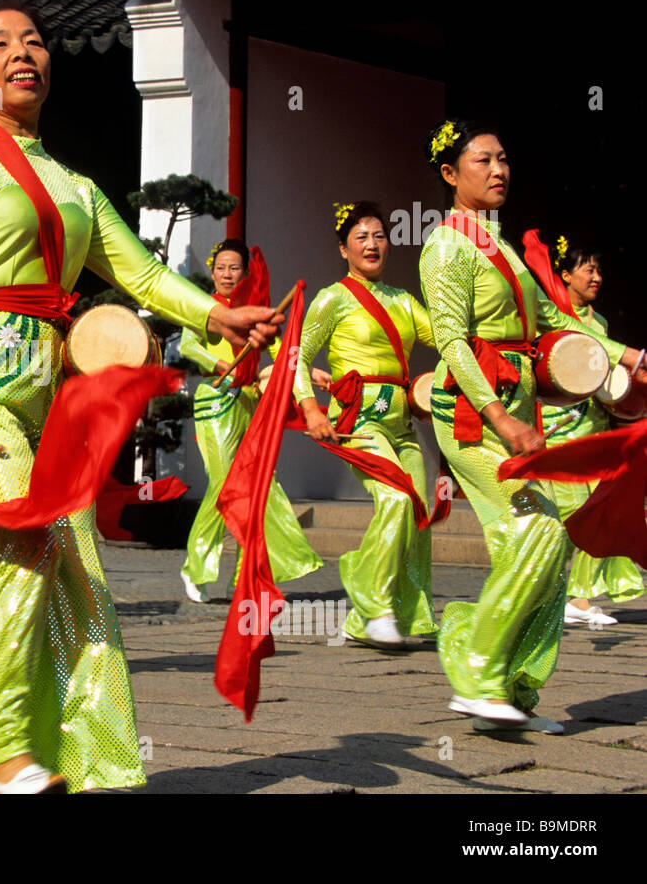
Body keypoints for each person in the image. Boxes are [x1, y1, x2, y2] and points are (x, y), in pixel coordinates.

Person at [0, 0, 281, 793]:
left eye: (35, 40)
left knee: (75, 575)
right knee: (29, 550)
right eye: (0, 44)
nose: (24, 53)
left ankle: (26, 757)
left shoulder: (75, 184)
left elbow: (139, 273)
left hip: (46, 403)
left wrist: (218, 312)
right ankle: (1, 758)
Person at [418, 119, 646, 734]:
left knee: (544, 547)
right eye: (483, 160)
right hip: (471, 416)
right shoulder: (447, 245)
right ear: (450, 174)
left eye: (504, 159)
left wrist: (628, 356)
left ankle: (511, 692)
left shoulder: (500, 245)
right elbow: (452, 343)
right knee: (543, 532)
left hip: (514, 406)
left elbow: (550, 314)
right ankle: (480, 668)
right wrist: (500, 418)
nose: (499, 170)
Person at [295, 201, 438, 648]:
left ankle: (393, 613)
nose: (372, 244)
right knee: (396, 498)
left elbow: (446, 340)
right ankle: (374, 605)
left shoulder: (404, 300)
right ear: (344, 249)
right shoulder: (332, 298)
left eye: (379, 236)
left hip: (403, 422)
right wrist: (312, 410)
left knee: (416, 512)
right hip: (359, 419)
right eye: (362, 237)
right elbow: (295, 358)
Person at [178, 238, 325, 604]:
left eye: (235, 268)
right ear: (212, 271)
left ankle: (246, 577)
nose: (227, 274)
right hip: (215, 399)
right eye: (221, 267)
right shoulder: (204, 307)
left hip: (248, 401)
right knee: (222, 486)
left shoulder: (252, 310)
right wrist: (218, 364)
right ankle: (195, 566)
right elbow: (187, 345)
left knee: (257, 486)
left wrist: (308, 370)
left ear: (244, 274)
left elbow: (280, 350)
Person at [536, 237, 643, 625]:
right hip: (558, 428)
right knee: (577, 514)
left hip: (593, 429)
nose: (596, 277)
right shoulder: (549, 316)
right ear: (565, 275)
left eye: (599, 270)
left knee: (600, 510)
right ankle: (559, 596)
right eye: (588, 270)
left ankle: (578, 599)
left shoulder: (599, 323)